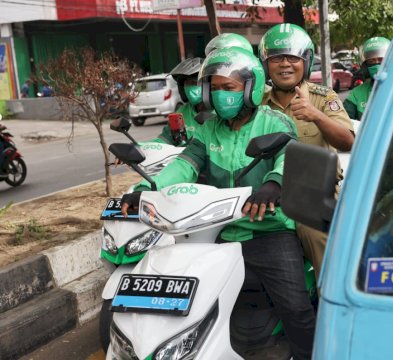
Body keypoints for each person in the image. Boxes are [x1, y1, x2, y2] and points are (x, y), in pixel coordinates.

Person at [120, 47, 316, 360]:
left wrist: (273, 185)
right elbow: (184, 164)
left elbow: (289, 157)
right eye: (215, 88)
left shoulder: (274, 122)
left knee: (295, 308)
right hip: (219, 232)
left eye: (230, 88)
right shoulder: (208, 128)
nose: (221, 94)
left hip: (269, 231)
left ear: (250, 89)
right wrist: (146, 188)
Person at [258, 23, 355, 280]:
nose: (285, 64)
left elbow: (348, 141)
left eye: (293, 57)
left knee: (314, 232)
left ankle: (329, 300)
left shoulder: (323, 97)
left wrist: (317, 116)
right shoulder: (256, 101)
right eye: (277, 57)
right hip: (266, 191)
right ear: (265, 64)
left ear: (306, 61)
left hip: (314, 192)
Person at [150, 57, 206, 145]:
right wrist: (145, 147)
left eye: (195, 83)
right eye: (188, 83)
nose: (191, 87)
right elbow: (166, 138)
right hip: (182, 157)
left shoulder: (218, 114)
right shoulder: (182, 112)